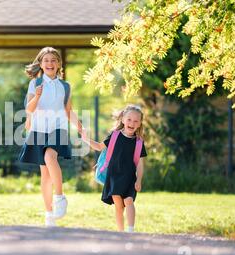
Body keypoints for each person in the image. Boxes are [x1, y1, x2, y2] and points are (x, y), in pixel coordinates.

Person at [18, 47, 86, 227]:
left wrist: (78, 125)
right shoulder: (35, 83)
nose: (49, 63)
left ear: (58, 64)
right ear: (40, 63)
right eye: (46, 60)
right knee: (45, 175)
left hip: (58, 127)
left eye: (53, 60)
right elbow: (29, 109)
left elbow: (68, 110)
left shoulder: (66, 86)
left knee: (50, 156)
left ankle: (60, 197)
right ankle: (49, 214)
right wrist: (37, 96)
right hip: (39, 129)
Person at [82, 105, 147, 232]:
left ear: (139, 124)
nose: (132, 123)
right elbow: (100, 147)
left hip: (129, 178)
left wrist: (138, 180)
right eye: (129, 119)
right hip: (113, 177)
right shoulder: (115, 136)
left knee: (128, 201)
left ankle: (130, 231)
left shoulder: (139, 142)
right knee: (118, 206)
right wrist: (86, 139)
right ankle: (121, 232)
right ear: (122, 119)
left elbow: (140, 164)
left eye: (135, 121)